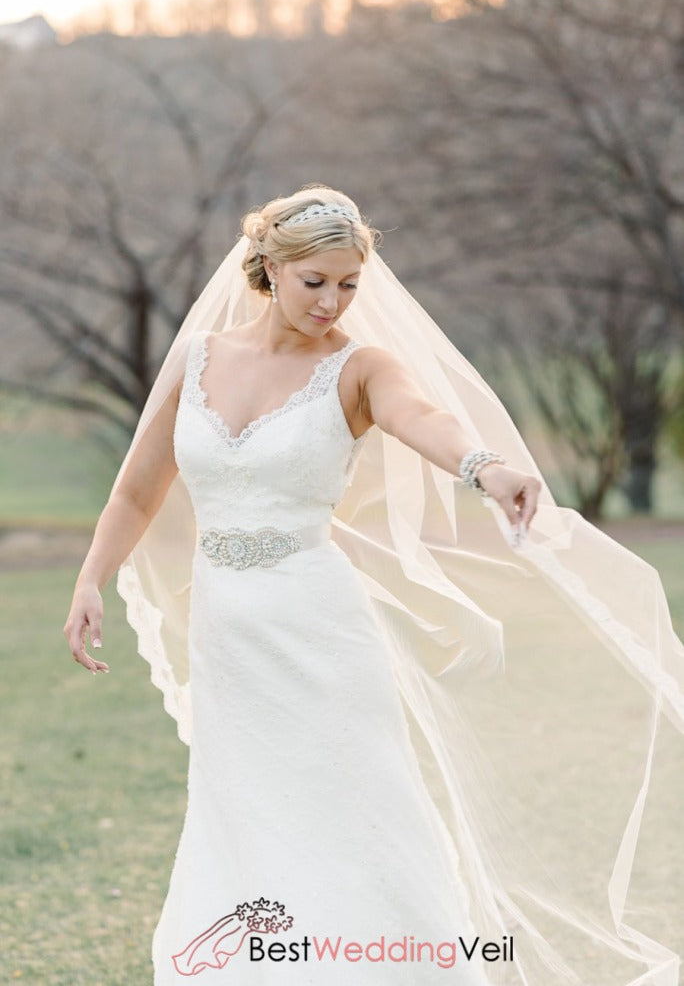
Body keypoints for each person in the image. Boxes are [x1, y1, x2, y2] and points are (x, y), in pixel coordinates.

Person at [64, 185, 684, 985]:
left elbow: (422, 415)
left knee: (354, 805)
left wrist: (484, 466)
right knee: (245, 806)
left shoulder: (361, 367)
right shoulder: (200, 358)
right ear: (268, 268)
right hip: (230, 632)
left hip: (319, 624)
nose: (333, 300)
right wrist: (91, 579)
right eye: (314, 281)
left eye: (349, 283)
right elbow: (136, 490)